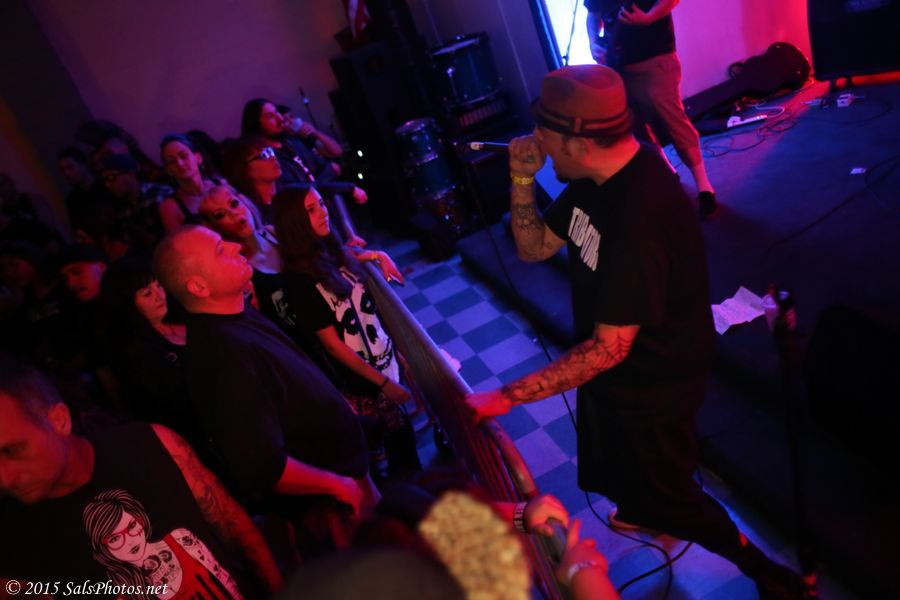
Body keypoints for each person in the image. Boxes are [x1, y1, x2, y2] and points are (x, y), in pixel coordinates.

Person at [465, 65, 802, 599]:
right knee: (618, 467)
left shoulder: (640, 213)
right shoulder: (592, 178)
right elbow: (534, 247)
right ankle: (643, 506)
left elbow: (608, 349)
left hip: (654, 380)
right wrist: (522, 179)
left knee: (672, 493)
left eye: (544, 133)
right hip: (617, 367)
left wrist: (504, 397)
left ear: (578, 143)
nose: (536, 142)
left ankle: (766, 572)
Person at [153, 225, 378, 559]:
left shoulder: (235, 315)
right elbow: (261, 464)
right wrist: (337, 485)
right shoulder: (222, 357)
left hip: (347, 477)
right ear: (199, 287)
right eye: (220, 250)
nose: (234, 246)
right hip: (334, 504)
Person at [0, 356, 283, 598]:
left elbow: (238, 531)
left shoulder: (151, 443)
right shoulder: (11, 542)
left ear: (59, 420)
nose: (4, 478)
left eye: (12, 450)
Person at [272, 184, 420, 477]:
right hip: (363, 382)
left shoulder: (326, 249)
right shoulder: (297, 280)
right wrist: (382, 382)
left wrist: (377, 255)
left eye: (321, 204)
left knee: (404, 444)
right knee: (398, 455)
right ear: (294, 223)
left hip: (382, 362)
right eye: (311, 210)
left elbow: (352, 267)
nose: (323, 212)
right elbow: (332, 345)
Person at [585, 0, 718, 219]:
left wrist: (649, 17)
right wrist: (593, 42)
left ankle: (704, 188)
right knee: (636, 127)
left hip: (655, 57)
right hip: (617, 63)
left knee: (673, 122)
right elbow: (593, 14)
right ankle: (668, 172)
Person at [239, 99, 367, 244]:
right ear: (256, 125)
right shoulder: (268, 160)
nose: (279, 118)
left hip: (329, 214)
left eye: (277, 113)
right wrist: (345, 186)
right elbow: (299, 191)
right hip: (309, 225)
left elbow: (327, 167)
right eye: (270, 116)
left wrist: (324, 180)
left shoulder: (292, 142)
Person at [100, 256, 199, 444]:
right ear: (127, 304)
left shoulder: (186, 316)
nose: (159, 295)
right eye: (147, 293)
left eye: (159, 286)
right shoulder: (137, 354)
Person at [158, 134, 223, 231]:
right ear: (168, 170)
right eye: (172, 161)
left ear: (198, 157)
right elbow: (178, 240)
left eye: (183, 156)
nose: (180, 164)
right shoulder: (170, 207)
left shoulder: (220, 184)